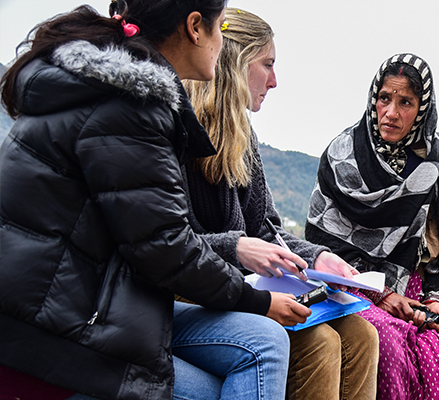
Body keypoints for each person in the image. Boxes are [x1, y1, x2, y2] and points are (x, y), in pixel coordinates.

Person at [0, 2, 296, 399]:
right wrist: (256, 300)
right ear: (195, 27)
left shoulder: (116, 92)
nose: (221, 41)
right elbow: (164, 245)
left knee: (264, 340)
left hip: (90, 299)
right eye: (218, 29)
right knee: (221, 383)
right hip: (53, 330)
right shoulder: (129, 106)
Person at [182, 8, 378, 399]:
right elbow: (173, 240)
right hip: (196, 289)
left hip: (239, 285)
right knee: (318, 343)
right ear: (235, 62)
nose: (274, 81)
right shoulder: (180, 130)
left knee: (362, 334)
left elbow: (265, 227)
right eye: (267, 64)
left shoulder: (242, 134)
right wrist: (237, 248)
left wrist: (317, 257)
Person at [305, 53, 439, 399]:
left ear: (422, 109)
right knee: (389, 344)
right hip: (352, 286)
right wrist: (381, 293)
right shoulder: (343, 154)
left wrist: (437, 300)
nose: (391, 113)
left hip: (418, 289)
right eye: (384, 99)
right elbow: (322, 242)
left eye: (405, 102)